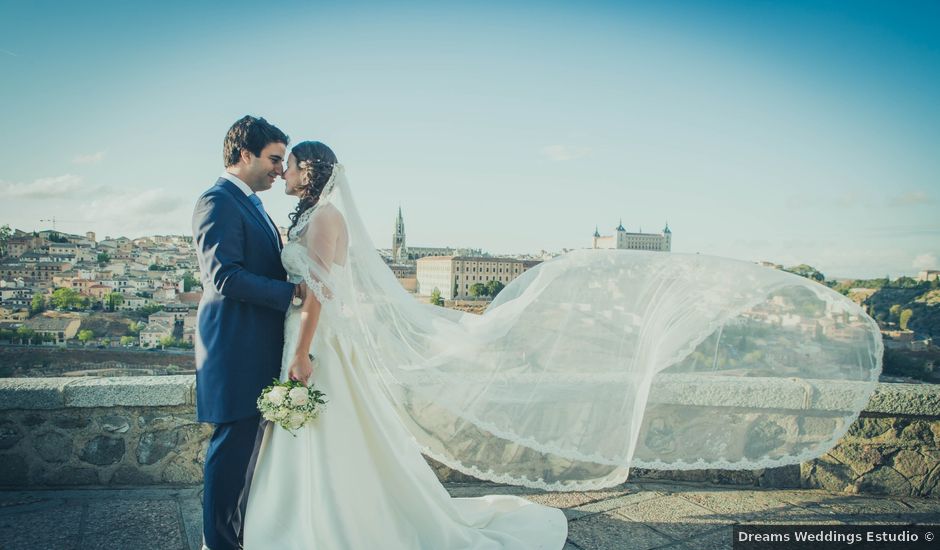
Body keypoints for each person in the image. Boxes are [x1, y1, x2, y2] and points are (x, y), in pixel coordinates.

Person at [244, 141, 881, 549]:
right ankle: (309, 517)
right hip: (304, 334)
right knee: (325, 432)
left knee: (335, 429)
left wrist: (302, 350)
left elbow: (325, 290)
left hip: (318, 340)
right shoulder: (305, 215)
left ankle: (334, 523)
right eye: (282, 162)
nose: (285, 170)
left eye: (291, 163)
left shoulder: (324, 216)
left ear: (312, 169)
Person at [192, 116, 306, 550]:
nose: (280, 169)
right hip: (234, 346)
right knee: (232, 448)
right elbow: (225, 278)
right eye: (275, 159)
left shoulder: (249, 202)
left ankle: (234, 535)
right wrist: (293, 291)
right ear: (245, 154)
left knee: (245, 450)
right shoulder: (217, 201)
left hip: (253, 343)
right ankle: (218, 544)